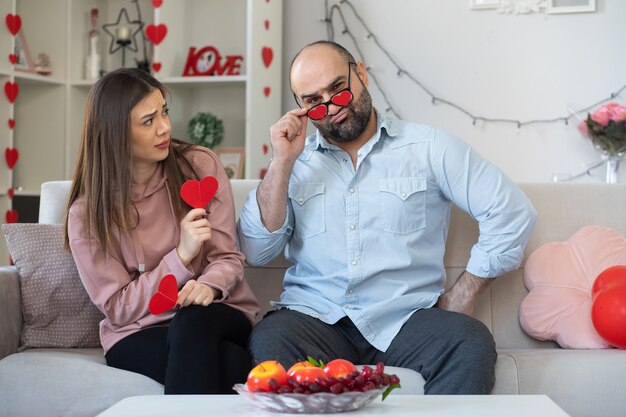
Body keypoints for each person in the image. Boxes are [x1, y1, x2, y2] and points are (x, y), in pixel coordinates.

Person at [237, 41, 537, 394]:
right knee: (270, 338)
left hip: (407, 320)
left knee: (469, 342)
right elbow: (255, 252)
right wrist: (282, 163)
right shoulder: (293, 164)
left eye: (338, 89)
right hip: (315, 319)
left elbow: (512, 213)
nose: (331, 109)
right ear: (301, 109)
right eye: (314, 102)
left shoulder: (429, 148)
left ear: (360, 74)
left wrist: (464, 293)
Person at [64, 67, 259, 394]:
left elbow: (227, 257)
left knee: (192, 320)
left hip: (217, 312)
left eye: (164, 113)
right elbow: (118, 307)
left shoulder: (200, 167)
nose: (165, 127)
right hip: (137, 331)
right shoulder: (86, 214)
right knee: (230, 363)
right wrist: (181, 256)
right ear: (115, 133)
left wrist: (208, 287)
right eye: (148, 121)